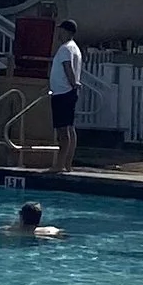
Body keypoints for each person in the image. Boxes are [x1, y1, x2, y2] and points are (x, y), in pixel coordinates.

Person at [47, 16, 83, 173]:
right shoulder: (75, 48)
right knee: (69, 128)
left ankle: (59, 164)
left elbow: (68, 67)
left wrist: (73, 82)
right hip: (65, 92)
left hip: (63, 92)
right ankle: (67, 164)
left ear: (67, 32)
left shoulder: (66, 49)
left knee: (63, 131)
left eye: (61, 30)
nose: (59, 33)